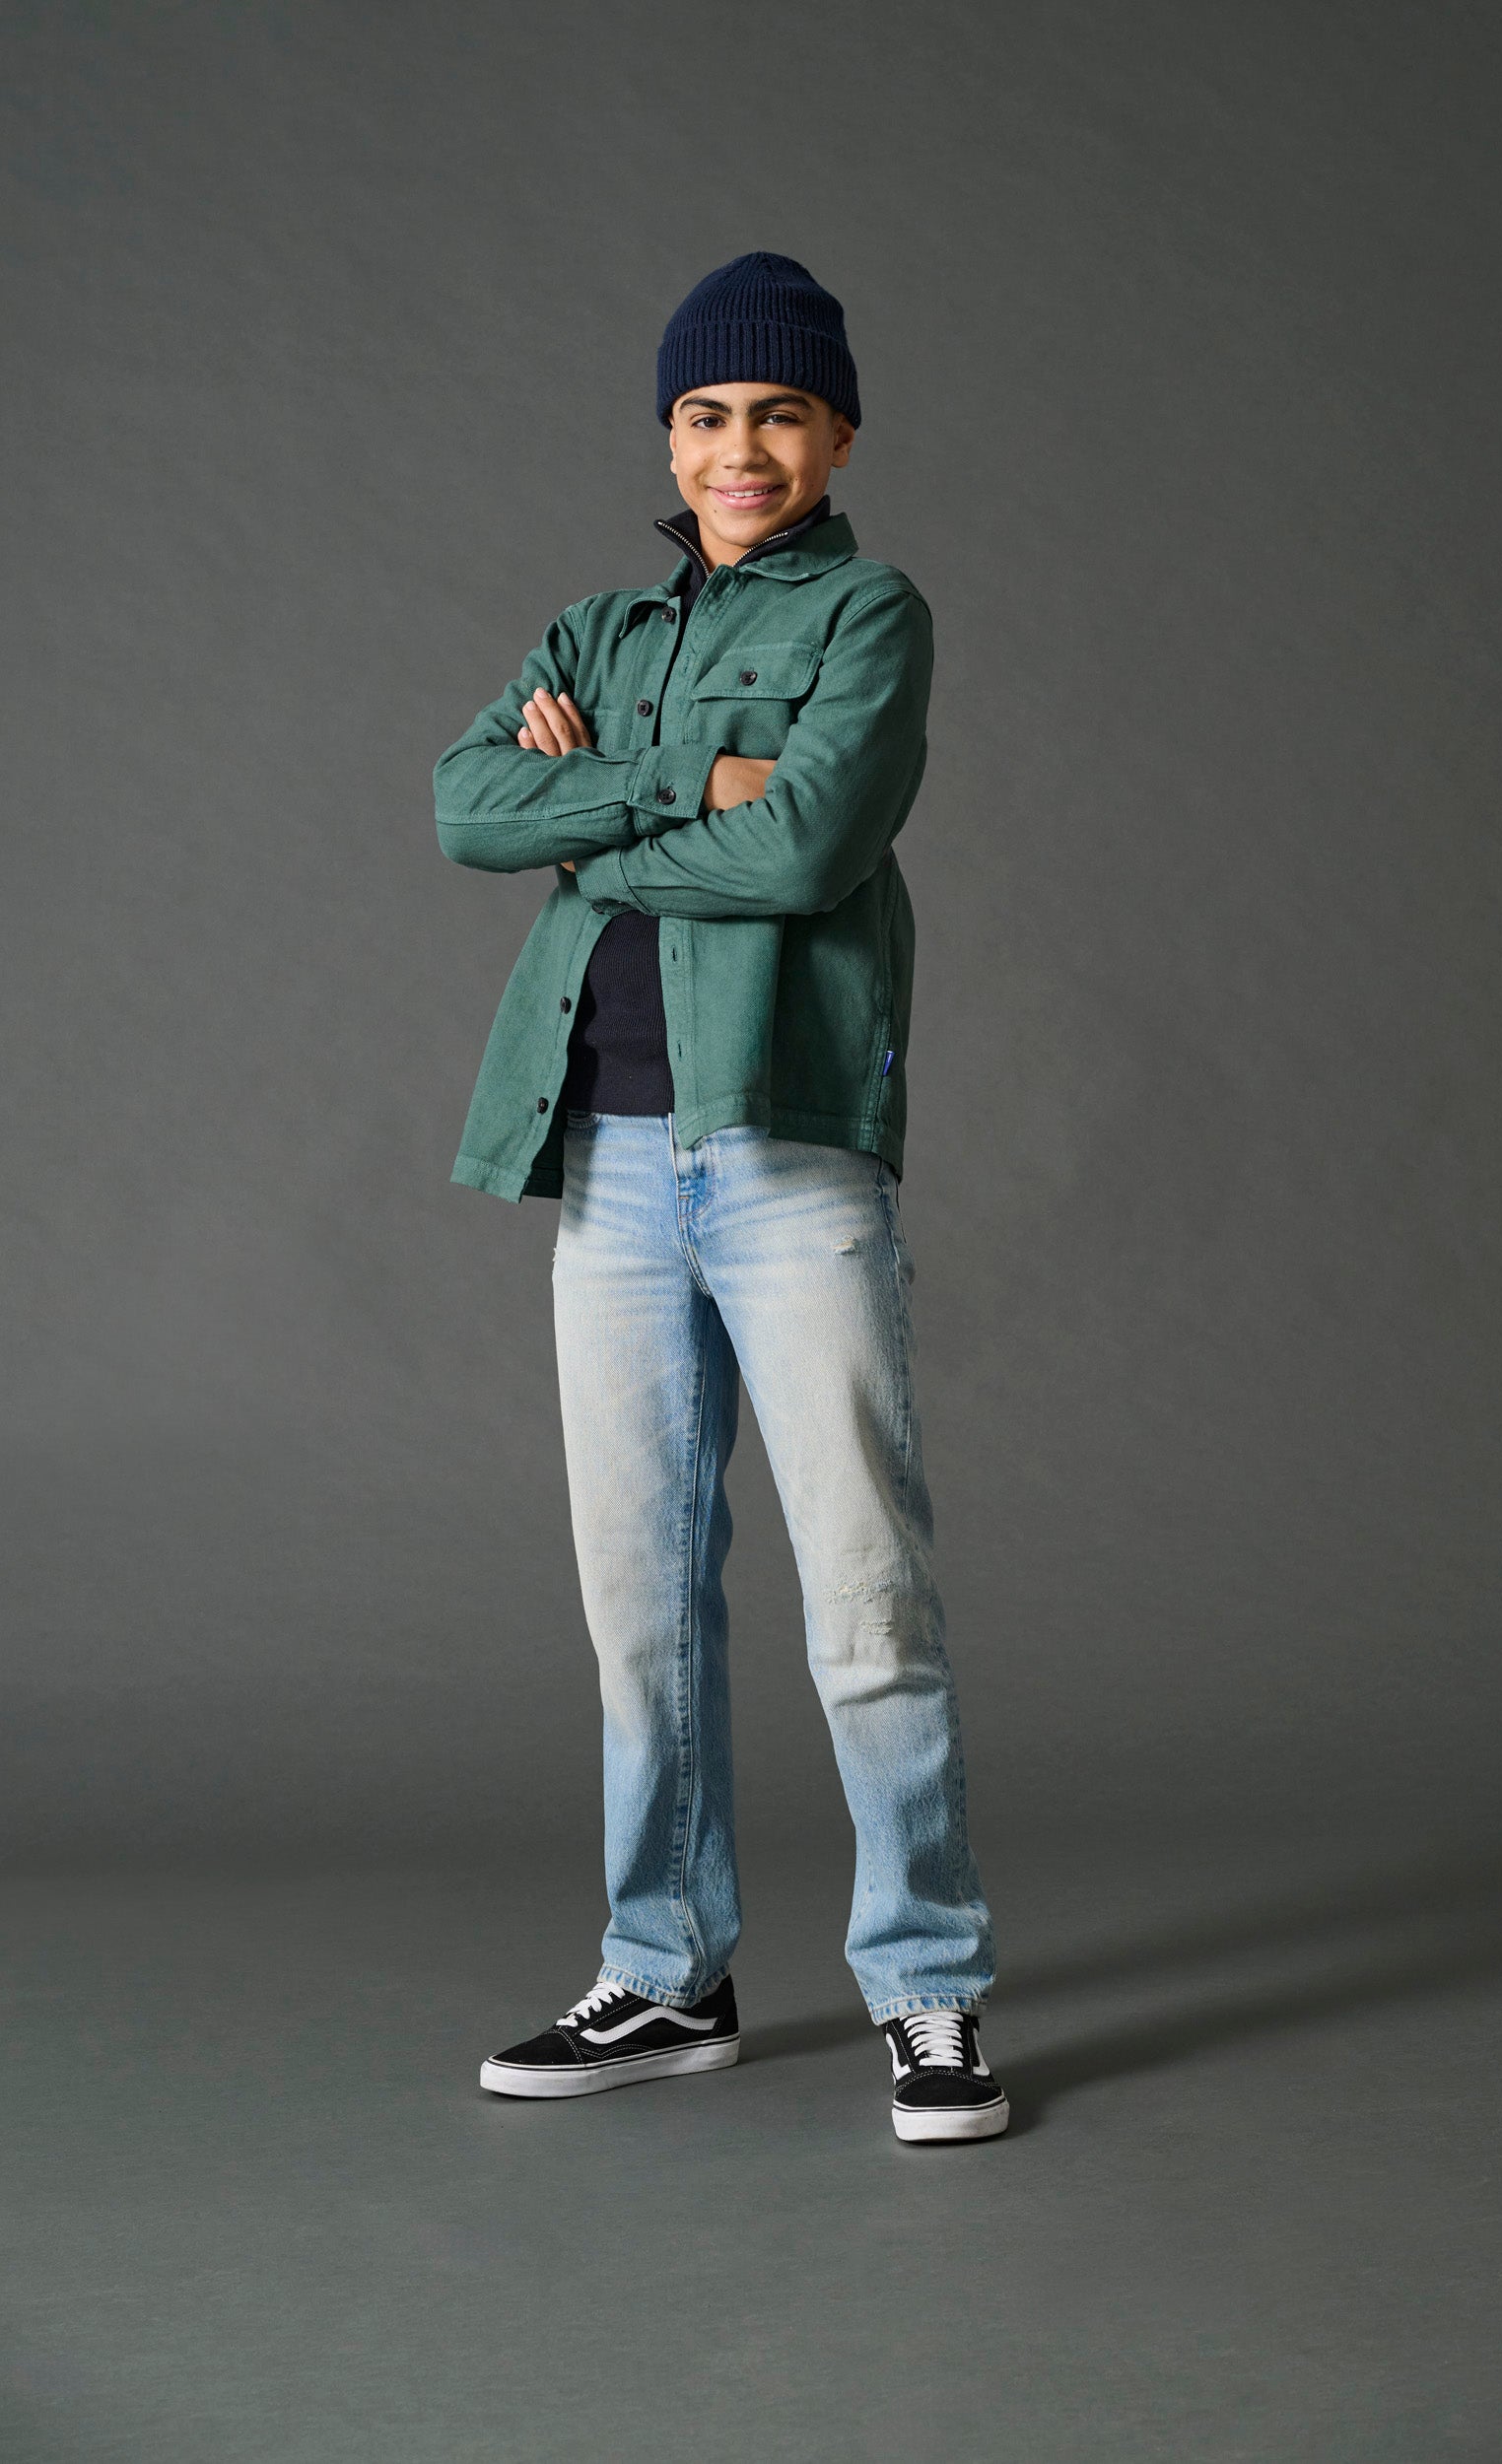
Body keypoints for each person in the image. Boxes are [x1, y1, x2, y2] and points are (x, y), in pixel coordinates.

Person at [433, 252, 1004, 2144]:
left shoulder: (871, 612)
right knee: (641, 1602)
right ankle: (667, 1974)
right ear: (668, 438)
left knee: (867, 1594)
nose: (738, 448)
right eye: (704, 414)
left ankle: (928, 1989)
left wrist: (598, 805)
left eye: (776, 413)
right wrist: (695, 774)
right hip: (602, 1163)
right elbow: (462, 805)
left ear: (837, 434)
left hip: (787, 1158)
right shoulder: (592, 626)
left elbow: (809, 849)